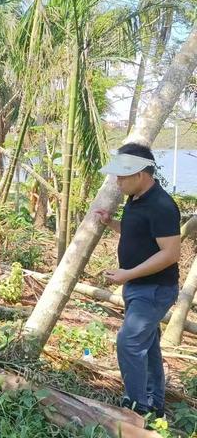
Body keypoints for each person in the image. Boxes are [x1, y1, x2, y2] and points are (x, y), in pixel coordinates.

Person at [95, 143, 180, 418]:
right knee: (147, 343)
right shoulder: (135, 199)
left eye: (122, 176)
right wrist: (111, 223)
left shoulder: (162, 205)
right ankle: (155, 401)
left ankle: (135, 407)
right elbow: (139, 233)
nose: (117, 182)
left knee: (130, 342)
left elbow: (171, 253)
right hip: (138, 286)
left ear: (141, 173)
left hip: (154, 289)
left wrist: (126, 274)